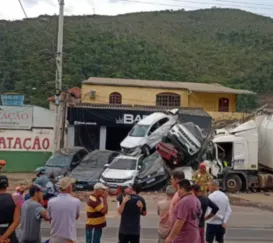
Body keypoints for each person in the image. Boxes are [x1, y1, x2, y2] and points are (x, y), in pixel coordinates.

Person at [47, 177, 81, 243]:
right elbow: (76, 217)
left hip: (55, 239)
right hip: (69, 239)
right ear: (68, 187)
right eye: (71, 184)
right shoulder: (76, 201)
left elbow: (50, 219)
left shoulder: (51, 202)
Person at [0, 175, 20, 243]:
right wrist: (4, 237)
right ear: (7, 186)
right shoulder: (16, 198)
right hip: (10, 236)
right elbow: (16, 221)